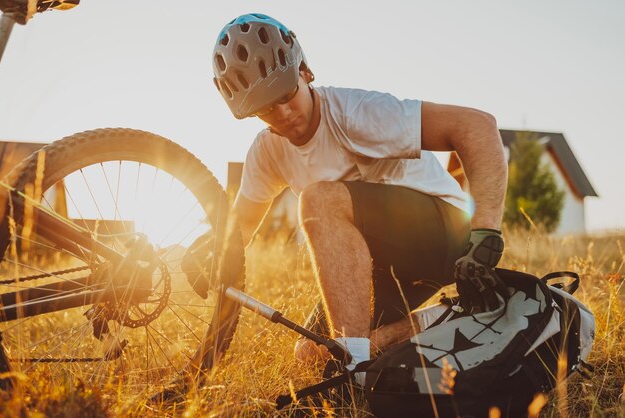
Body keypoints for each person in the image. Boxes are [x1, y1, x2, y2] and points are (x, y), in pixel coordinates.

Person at [211, 13, 509, 374]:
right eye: (266, 109)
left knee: (319, 200)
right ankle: (440, 321)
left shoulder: (357, 112)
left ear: (305, 72)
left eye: (287, 94)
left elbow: (477, 126)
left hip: (445, 233)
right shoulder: (267, 151)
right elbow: (240, 227)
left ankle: (353, 373)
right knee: (310, 352)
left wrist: (486, 232)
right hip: (384, 263)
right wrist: (209, 253)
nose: (284, 113)